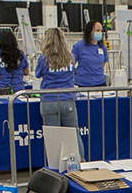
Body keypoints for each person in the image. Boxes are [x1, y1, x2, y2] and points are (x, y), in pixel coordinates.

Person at [37, 27, 84, 157]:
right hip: (67, 99)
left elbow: (37, 74)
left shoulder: (44, 59)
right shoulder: (71, 57)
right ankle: (81, 162)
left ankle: (55, 167)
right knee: (74, 134)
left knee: (53, 138)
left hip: (49, 100)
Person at [72, 20, 108, 87]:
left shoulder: (102, 47)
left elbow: (103, 64)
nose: (100, 33)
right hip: (82, 84)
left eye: (101, 31)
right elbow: (71, 64)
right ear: (90, 31)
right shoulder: (79, 46)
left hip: (100, 83)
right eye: (97, 30)